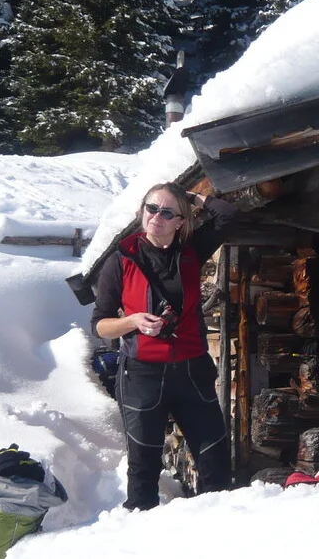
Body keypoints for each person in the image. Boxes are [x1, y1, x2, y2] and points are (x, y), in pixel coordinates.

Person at [91, 183, 237, 510]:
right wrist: (133, 322)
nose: (156, 217)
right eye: (151, 208)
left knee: (215, 460)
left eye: (167, 212)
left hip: (191, 369)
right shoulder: (121, 259)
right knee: (143, 466)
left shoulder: (191, 252)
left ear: (180, 221)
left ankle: (219, 532)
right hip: (142, 373)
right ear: (141, 212)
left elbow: (228, 215)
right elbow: (100, 324)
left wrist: (191, 196)